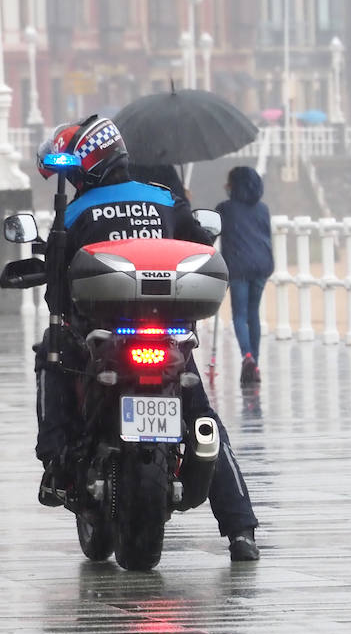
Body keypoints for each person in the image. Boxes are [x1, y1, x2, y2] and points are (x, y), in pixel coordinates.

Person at [33, 115, 260, 562]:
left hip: (102, 339)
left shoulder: (76, 212)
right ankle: (241, 531)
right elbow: (202, 252)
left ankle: (55, 464)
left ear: (87, 165)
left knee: (51, 354)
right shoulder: (165, 201)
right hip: (168, 335)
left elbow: (56, 292)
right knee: (203, 420)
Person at [216, 166, 274, 386]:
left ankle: (247, 357)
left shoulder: (225, 209)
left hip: (238, 266)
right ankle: (255, 364)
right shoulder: (263, 209)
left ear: (234, 185)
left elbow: (210, 233)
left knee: (239, 314)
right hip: (262, 266)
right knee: (253, 314)